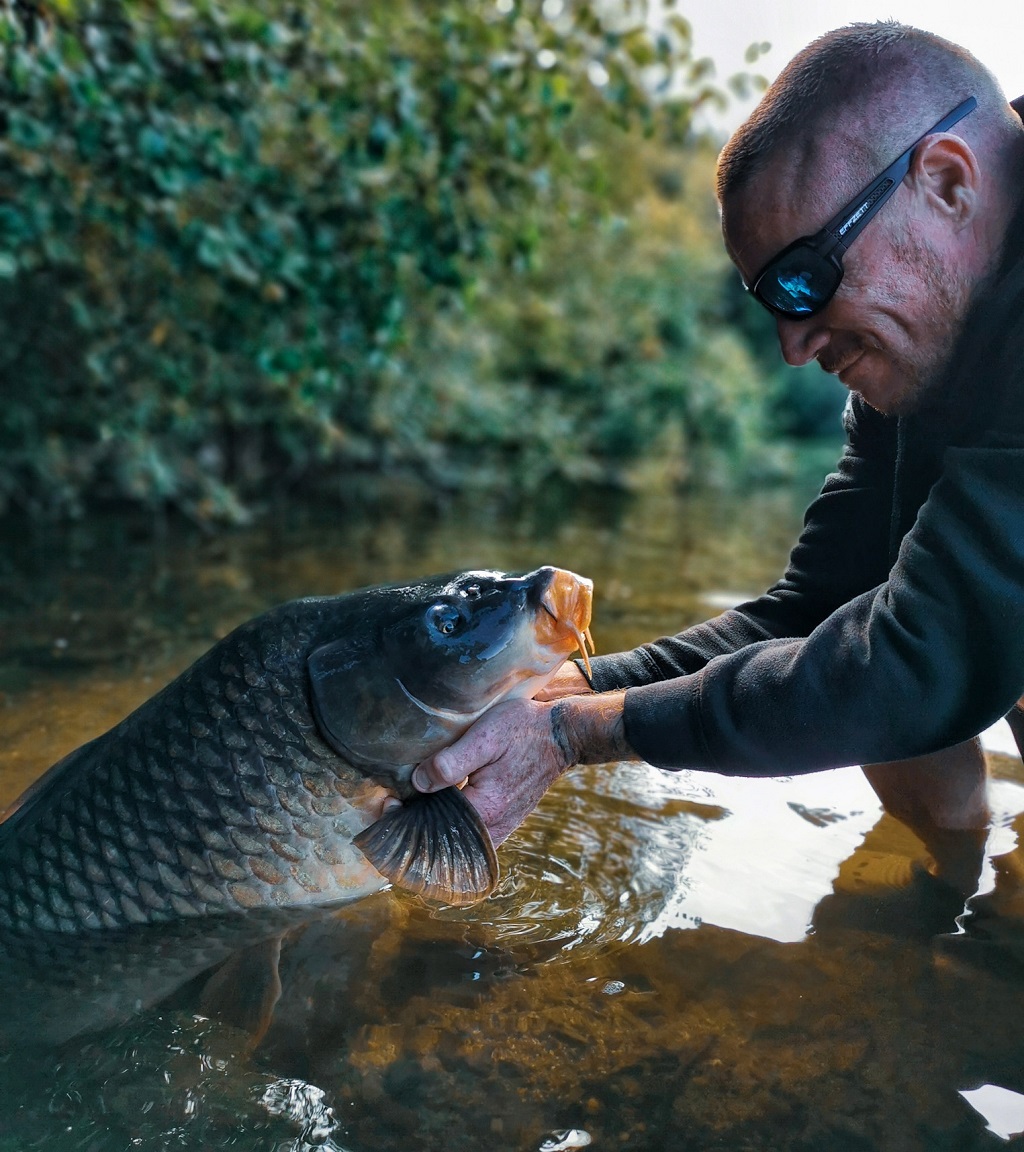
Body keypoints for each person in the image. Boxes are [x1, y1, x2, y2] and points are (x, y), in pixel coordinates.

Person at [411, 22, 1024, 875]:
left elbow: (910, 666)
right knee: (862, 645)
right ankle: (959, 898)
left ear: (949, 183)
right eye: (770, 302)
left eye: (805, 278)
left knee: (906, 666)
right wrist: (574, 689)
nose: (794, 344)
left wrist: (572, 735)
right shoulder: (918, 344)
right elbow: (811, 609)